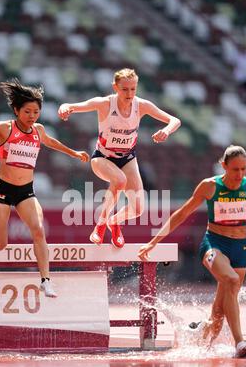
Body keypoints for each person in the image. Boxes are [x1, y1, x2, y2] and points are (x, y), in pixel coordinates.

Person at [139, 145, 246, 358]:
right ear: (223, 165)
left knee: (218, 313)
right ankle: (240, 342)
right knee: (231, 279)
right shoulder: (209, 187)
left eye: (243, 169)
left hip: (240, 249)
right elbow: (182, 214)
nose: (240, 174)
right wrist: (154, 241)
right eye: (235, 169)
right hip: (214, 245)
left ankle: (198, 341)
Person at [0, 78, 89, 297]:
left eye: (36, 112)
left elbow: (52, 143)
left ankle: (45, 280)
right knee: (0, 243)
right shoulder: (4, 128)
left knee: (39, 230)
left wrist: (75, 153)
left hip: (25, 192)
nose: (32, 116)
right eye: (27, 112)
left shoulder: (38, 130)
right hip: (2, 191)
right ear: (16, 110)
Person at [58, 68, 181, 248]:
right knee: (119, 180)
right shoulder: (105, 104)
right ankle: (100, 225)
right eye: (125, 89)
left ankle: (114, 221)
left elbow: (174, 120)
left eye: (133, 89)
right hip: (102, 157)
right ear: (115, 87)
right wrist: (66, 108)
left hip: (128, 159)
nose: (129, 94)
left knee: (138, 209)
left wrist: (166, 131)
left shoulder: (142, 105)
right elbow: (71, 105)